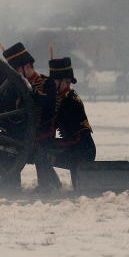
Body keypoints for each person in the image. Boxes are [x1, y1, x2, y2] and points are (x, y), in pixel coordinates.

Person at [2, 41, 61, 192]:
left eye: (17, 70)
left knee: (41, 153)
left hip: (42, 132)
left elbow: (49, 106)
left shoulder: (46, 82)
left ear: (27, 66)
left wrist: (31, 91)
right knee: (5, 151)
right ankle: (12, 186)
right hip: (20, 133)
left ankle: (46, 186)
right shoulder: (12, 86)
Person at [48, 56, 96, 189]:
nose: (52, 84)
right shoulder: (61, 98)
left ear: (65, 81)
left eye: (54, 81)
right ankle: (55, 185)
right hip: (73, 146)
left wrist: (51, 143)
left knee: (43, 155)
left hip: (81, 150)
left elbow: (77, 138)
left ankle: (54, 186)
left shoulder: (71, 100)